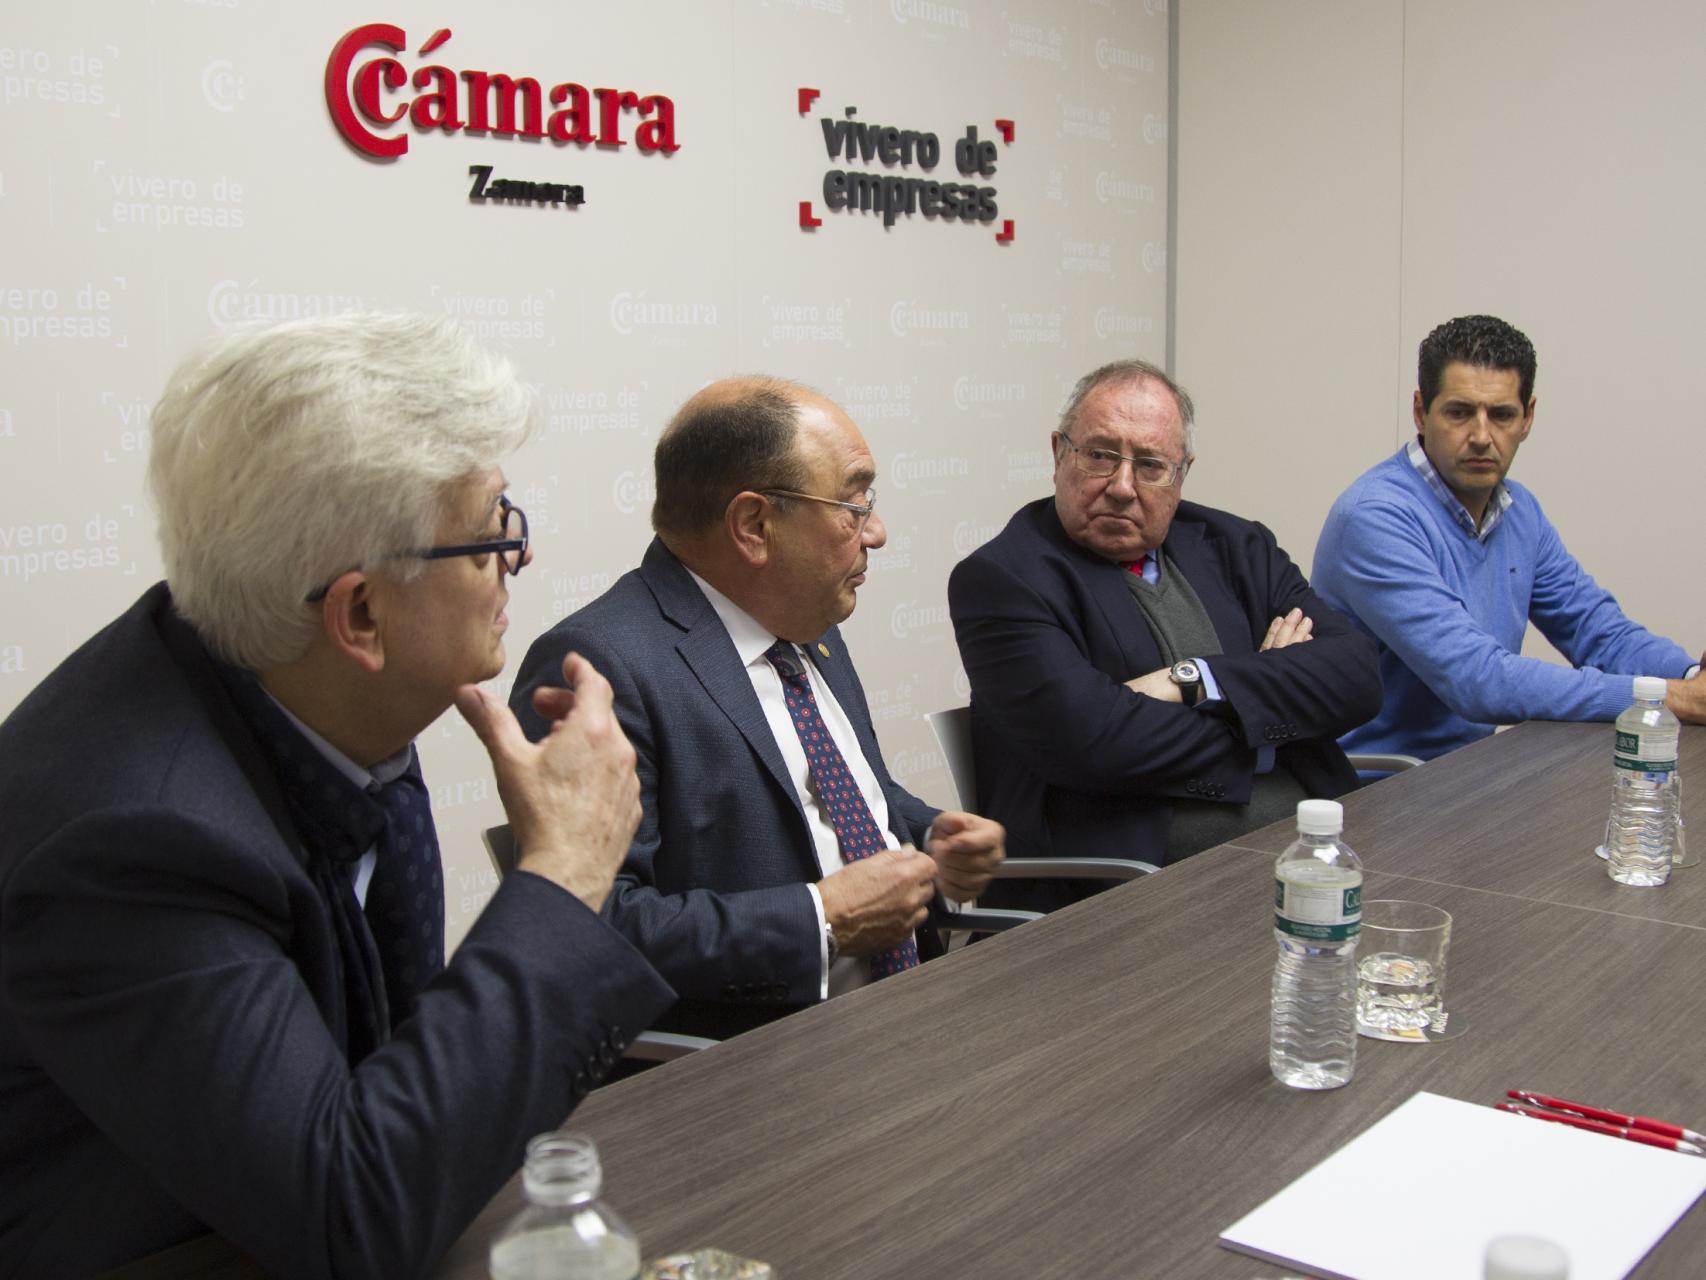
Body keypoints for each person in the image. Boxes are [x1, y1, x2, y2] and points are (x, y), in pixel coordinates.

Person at [0, 314, 674, 1279]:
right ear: (360, 613)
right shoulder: (131, 844)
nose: (513, 558)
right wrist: (567, 872)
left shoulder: (301, 693)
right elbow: (350, 1218)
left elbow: (388, 1088)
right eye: (487, 535)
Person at [510, 377, 1005, 1040]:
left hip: (911, 1014)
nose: (877, 531)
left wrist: (931, 834)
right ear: (754, 525)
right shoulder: (598, 668)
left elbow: (848, 796)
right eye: (853, 503)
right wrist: (821, 918)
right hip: (756, 1066)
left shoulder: (807, 622)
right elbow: (593, 927)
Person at [948, 358, 1380, 912]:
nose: (1122, 487)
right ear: (1059, 454)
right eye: (1100, 455)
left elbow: (1357, 675)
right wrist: (1272, 716)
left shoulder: (1236, 544)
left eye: (1150, 464)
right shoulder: (1004, 579)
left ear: (1181, 475)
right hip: (1134, 886)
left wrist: (1196, 681)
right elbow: (1098, 743)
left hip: (1315, 860)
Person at [1312, 314, 1706, 762]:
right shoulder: (1375, 518)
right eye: (1459, 413)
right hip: (1373, 789)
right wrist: (1671, 698)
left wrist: (1692, 676)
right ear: (1421, 412)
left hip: (1469, 776)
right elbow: (1478, 681)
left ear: (1527, 418)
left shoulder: (1519, 512)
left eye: (1501, 415)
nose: (1481, 436)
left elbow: (1598, 632)